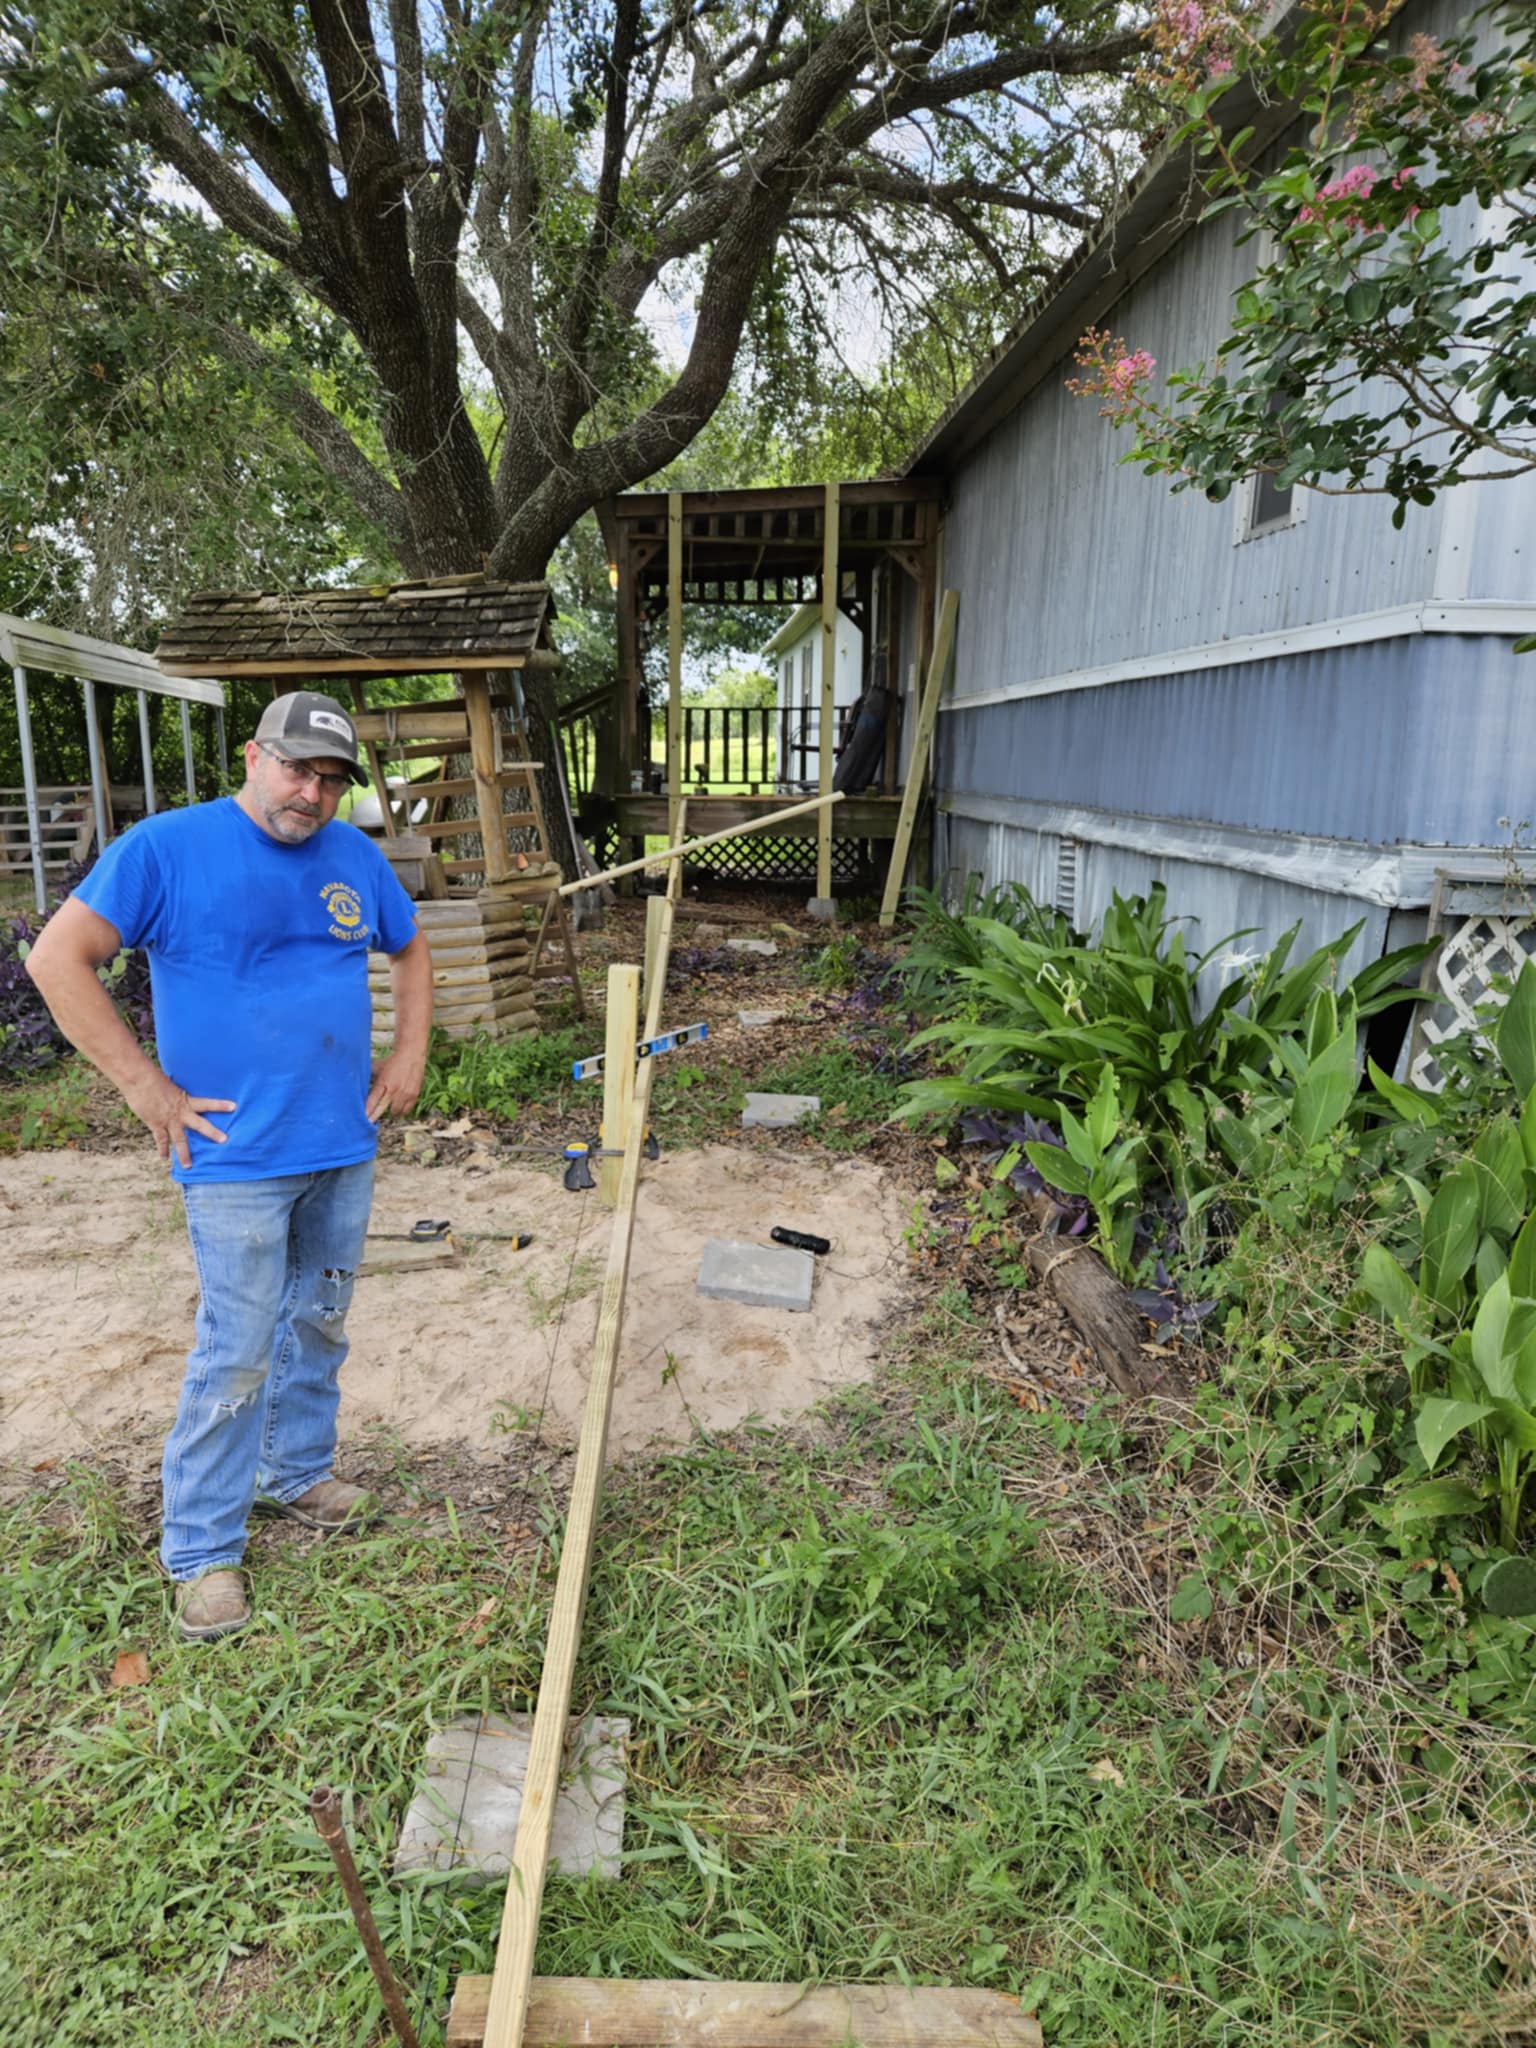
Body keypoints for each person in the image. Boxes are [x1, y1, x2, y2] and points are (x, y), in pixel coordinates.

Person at [25, 690, 434, 1643]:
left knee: (321, 1320)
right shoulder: (168, 849)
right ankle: (203, 1549)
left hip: (340, 1142)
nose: (314, 792)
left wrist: (409, 1052)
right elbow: (57, 959)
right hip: (233, 1157)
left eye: (332, 778)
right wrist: (146, 1088)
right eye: (298, 769)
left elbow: (410, 951)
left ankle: (297, 1473)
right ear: (253, 756)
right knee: (238, 1346)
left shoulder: (352, 856)